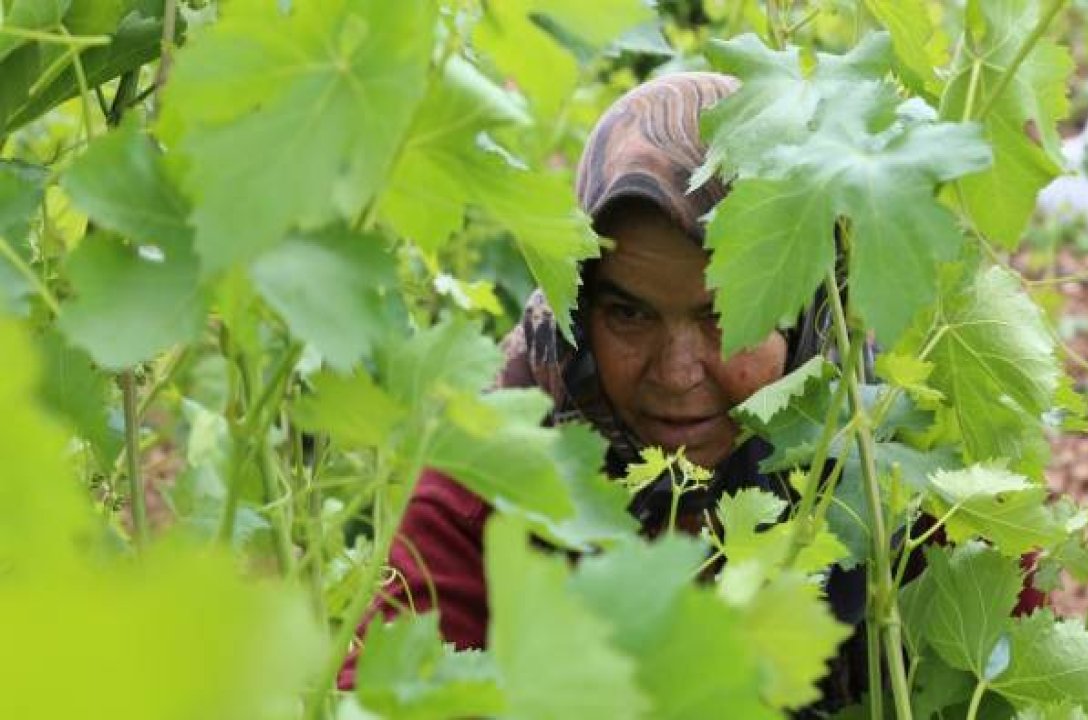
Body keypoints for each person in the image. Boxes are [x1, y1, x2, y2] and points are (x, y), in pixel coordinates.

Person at [338, 72, 1042, 709]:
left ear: (810, 310)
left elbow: (1022, 672)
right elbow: (382, 692)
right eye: (628, 314)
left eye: (728, 314)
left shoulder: (900, 455)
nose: (677, 374)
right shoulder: (496, 467)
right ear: (577, 309)